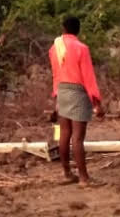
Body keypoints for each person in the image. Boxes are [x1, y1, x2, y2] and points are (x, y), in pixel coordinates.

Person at [48, 16, 104, 186]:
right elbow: (88, 77)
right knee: (78, 138)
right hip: (78, 93)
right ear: (78, 30)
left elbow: (56, 75)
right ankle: (84, 179)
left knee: (64, 134)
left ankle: (67, 174)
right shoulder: (81, 48)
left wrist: (56, 98)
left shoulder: (55, 48)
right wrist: (97, 102)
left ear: (63, 28)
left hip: (62, 92)